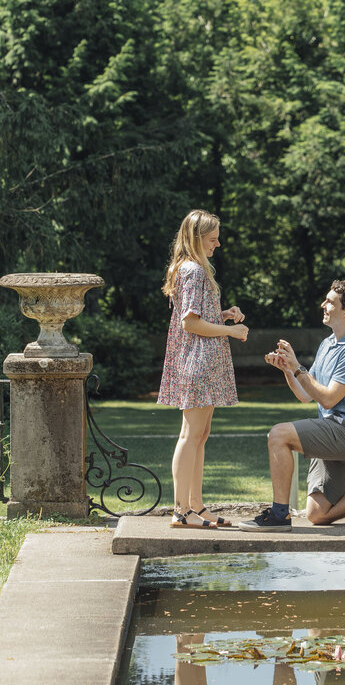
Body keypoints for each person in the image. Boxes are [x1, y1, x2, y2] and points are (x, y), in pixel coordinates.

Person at [239, 279, 345, 532]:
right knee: (317, 514)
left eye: (330, 301)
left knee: (278, 434)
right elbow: (306, 395)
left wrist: (298, 368)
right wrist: (288, 369)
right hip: (334, 434)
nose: (323, 304)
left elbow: (329, 398)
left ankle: (278, 515)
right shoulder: (328, 344)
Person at [158, 209, 248, 529]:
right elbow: (191, 323)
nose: (218, 244)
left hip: (200, 361)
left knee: (199, 435)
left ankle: (195, 506)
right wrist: (231, 331)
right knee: (191, 435)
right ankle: (181, 510)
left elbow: (196, 316)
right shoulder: (195, 271)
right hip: (198, 361)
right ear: (197, 239)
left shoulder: (190, 269)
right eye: (212, 239)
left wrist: (222, 314)